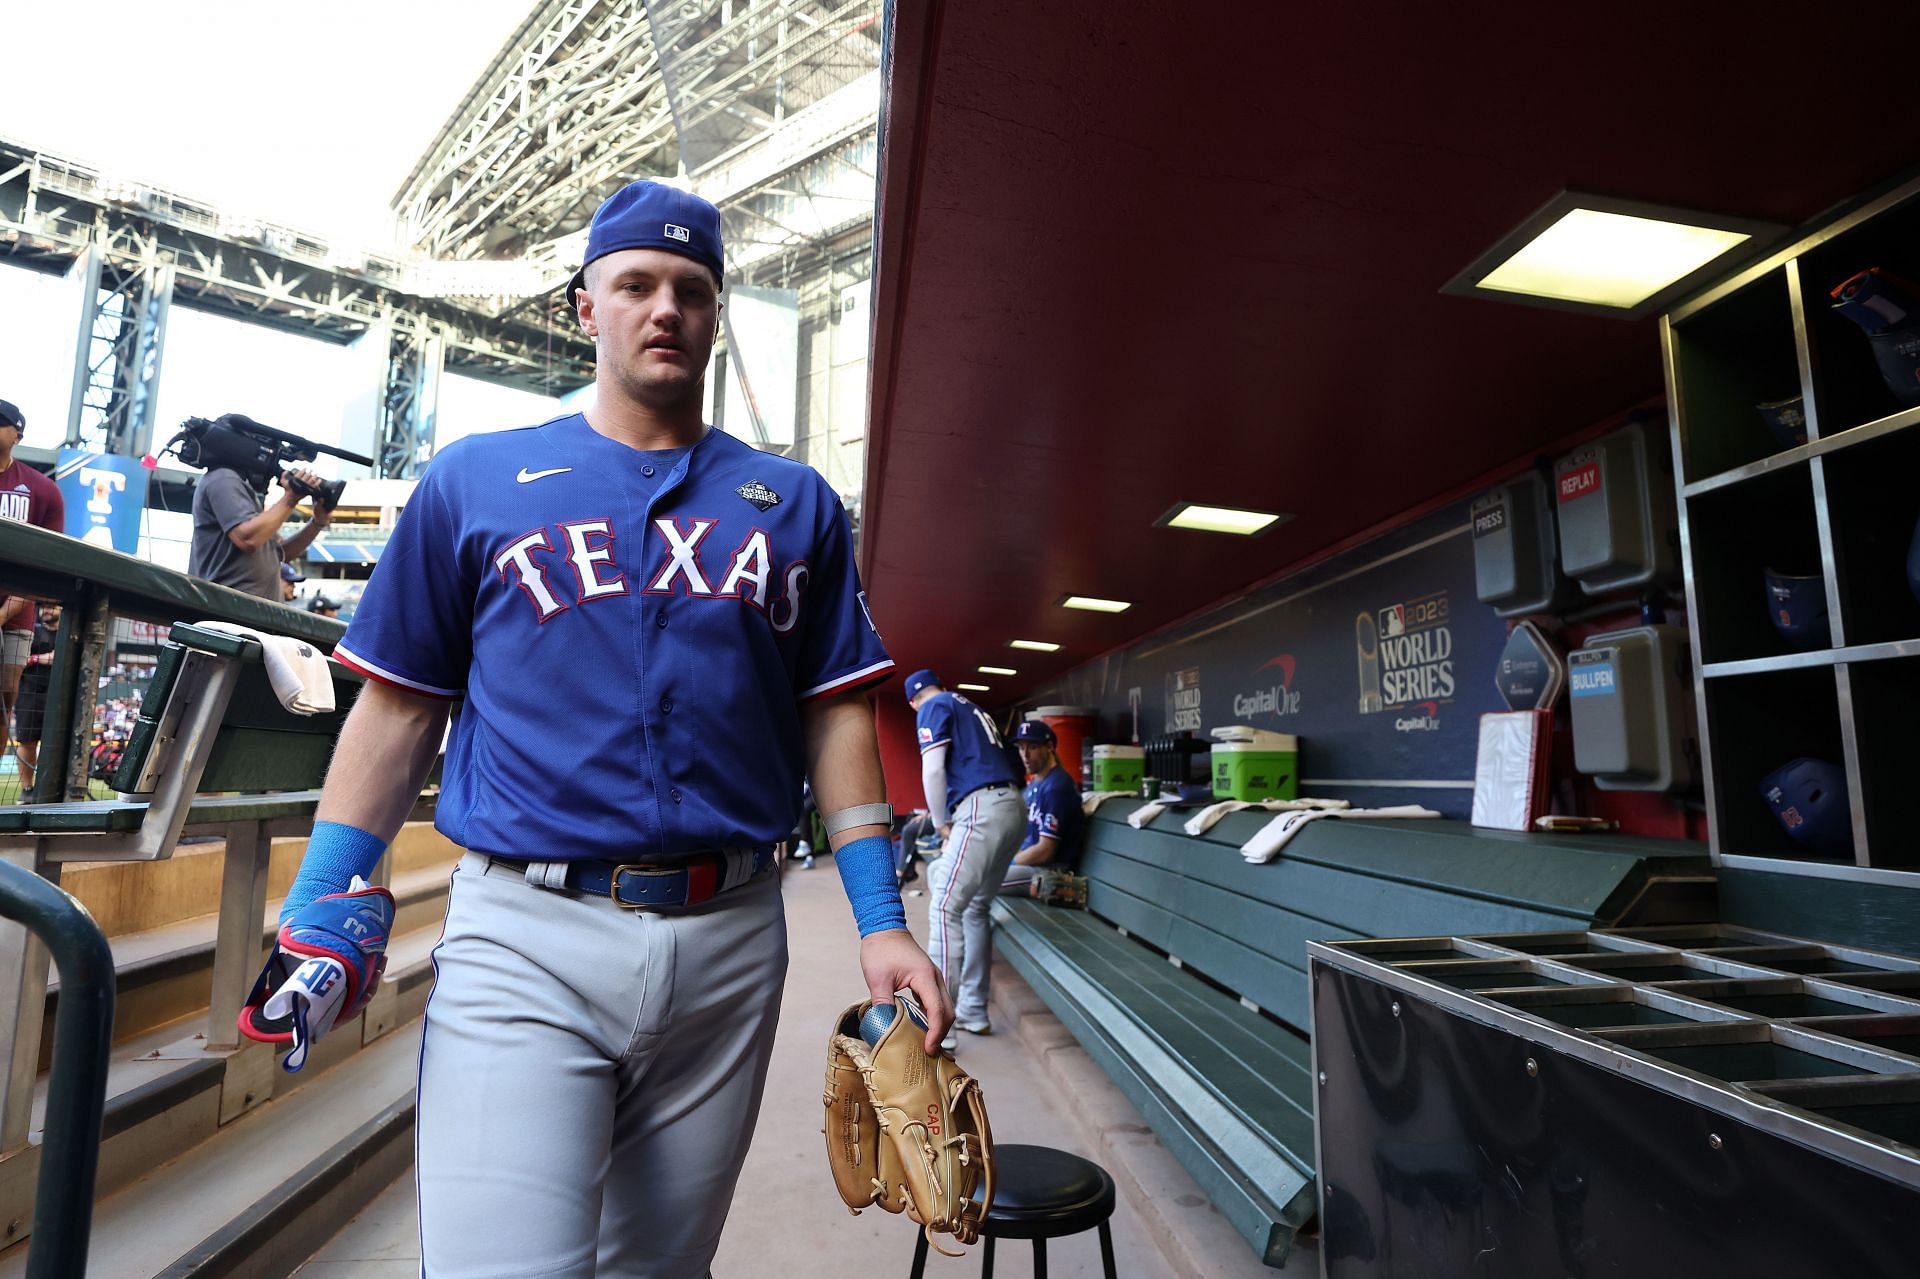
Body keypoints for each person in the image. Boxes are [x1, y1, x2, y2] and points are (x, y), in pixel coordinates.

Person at [272, 178, 944, 1277]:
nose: (663, 307)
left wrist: (880, 918)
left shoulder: (795, 499)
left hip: (732, 933)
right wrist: (320, 890)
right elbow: (401, 704)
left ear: (717, 311)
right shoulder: (473, 481)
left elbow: (834, 720)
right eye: (634, 284)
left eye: (690, 287)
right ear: (587, 308)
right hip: (526, 934)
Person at [906, 669, 1023, 1050]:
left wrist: (940, 822)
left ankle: (941, 1023)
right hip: (1013, 806)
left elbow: (934, 768)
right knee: (974, 909)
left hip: (981, 808)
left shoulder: (932, 704)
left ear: (913, 701)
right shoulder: (969, 704)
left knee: (944, 907)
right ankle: (973, 1010)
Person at [0, 399, 65, 778]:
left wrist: (4, 613)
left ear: (17, 434)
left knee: (4, 702)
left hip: (16, 616)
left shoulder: (41, 489)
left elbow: (47, 565)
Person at [188, 450, 333, 601]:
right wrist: (291, 498)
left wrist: (317, 523)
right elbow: (248, 539)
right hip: (227, 612)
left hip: (243, 613)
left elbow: (280, 554)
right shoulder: (223, 478)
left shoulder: (240, 486)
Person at [1001, 721, 1086, 894]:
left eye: (1032, 747)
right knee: (965, 873)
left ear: (1049, 747)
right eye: (1020, 747)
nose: (1025, 755)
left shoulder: (1057, 787)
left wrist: (1010, 861)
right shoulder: (1034, 785)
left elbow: (1045, 851)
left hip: (1050, 872)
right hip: (1028, 865)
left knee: (976, 882)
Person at [13, 603, 59, 799]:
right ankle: (27, 790)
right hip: (29, 692)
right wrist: (42, 658)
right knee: (26, 740)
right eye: (45, 607)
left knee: (56, 742)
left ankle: (52, 788)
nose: (46, 610)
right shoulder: (33, 630)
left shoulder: (68, 632)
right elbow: (17, 658)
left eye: (52, 607)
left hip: (58, 694)